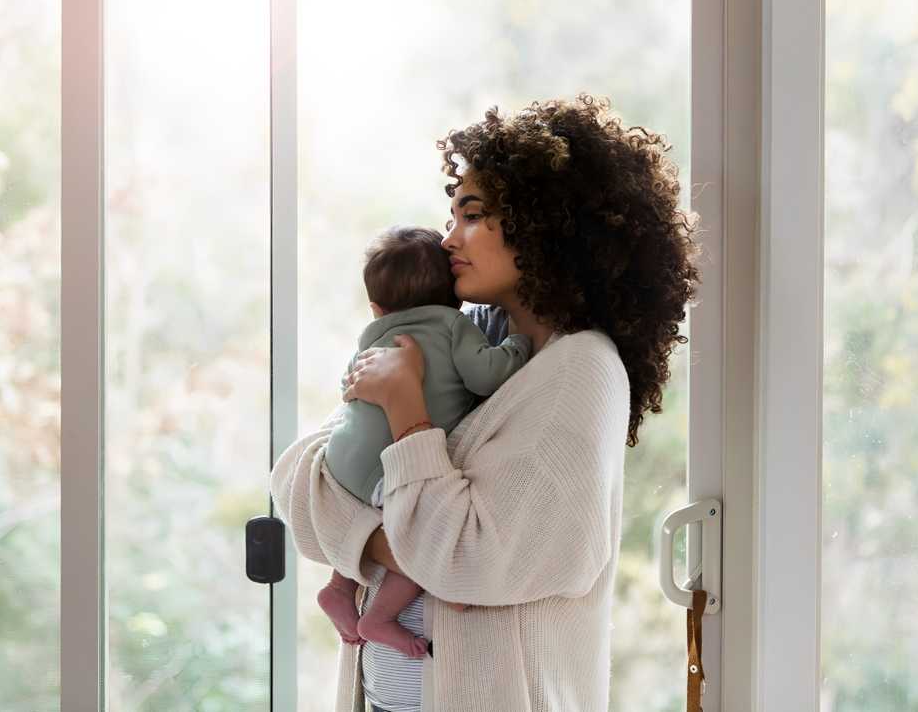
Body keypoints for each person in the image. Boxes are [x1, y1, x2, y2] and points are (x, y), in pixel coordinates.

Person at [270, 94, 701, 712]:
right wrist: (392, 543)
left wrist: (407, 413)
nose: (449, 239)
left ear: (545, 223)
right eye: (452, 215)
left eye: (471, 215)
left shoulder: (580, 372)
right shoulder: (466, 331)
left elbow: (471, 561)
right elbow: (300, 477)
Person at [317, 224, 530, 659]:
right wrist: (517, 345)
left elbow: (348, 386)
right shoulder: (453, 325)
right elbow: (486, 375)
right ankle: (380, 616)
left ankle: (339, 586)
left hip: (340, 458)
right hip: (391, 465)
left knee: (365, 515)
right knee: (415, 533)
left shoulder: (371, 335)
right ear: (455, 296)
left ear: (377, 308)